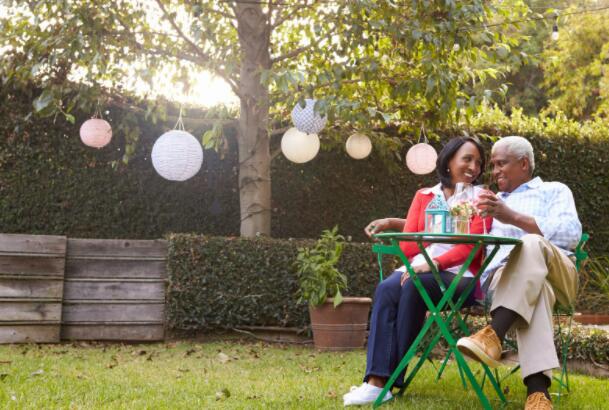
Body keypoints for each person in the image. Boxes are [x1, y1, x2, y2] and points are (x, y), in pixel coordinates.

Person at [343, 137, 492, 406]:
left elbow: (472, 246)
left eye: (478, 162)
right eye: (467, 159)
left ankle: (388, 381)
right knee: (387, 288)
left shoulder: (482, 199)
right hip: (419, 267)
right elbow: (409, 243)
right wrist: (433, 240)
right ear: (448, 162)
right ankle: (376, 381)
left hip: (464, 277)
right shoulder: (424, 196)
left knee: (414, 285)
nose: (474, 167)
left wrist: (434, 261)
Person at [456, 136, 581, 410]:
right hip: (507, 281)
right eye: (494, 165)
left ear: (524, 164)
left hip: (559, 274)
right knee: (537, 292)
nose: (495, 170)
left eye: (501, 163)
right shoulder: (490, 202)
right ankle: (538, 395)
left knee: (532, 242)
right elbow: (463, 233)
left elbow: (572, 235)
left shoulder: (554, 191)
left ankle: (493, 334)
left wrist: (511, 217)